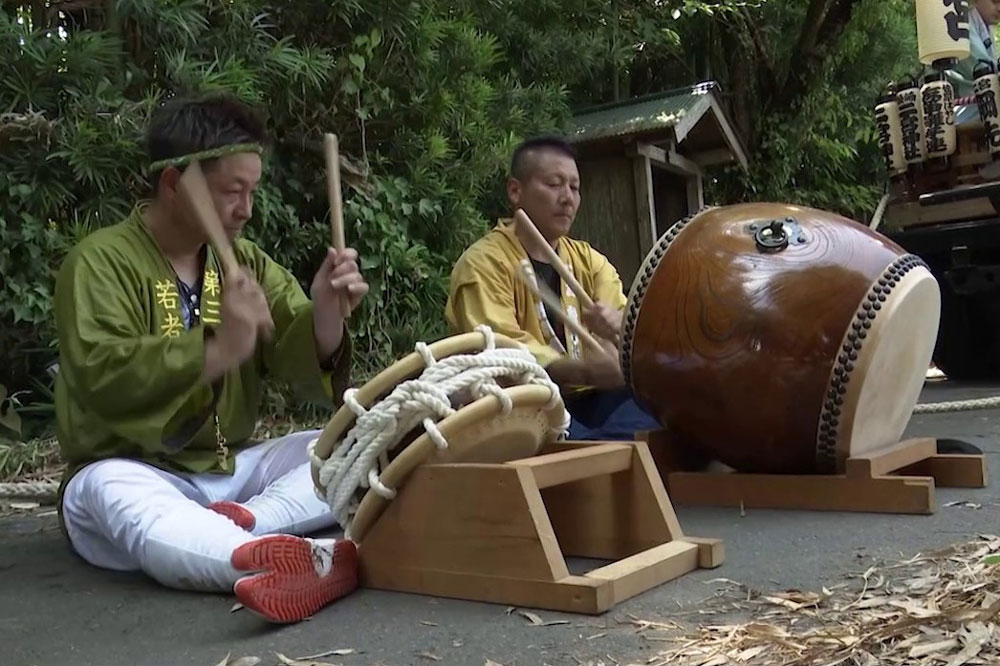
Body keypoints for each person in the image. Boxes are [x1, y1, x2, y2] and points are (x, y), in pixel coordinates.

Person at [53, 94, 369, 623]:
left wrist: (326, 314)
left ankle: (248, 521)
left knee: (352, 440)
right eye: (232, 192)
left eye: (252, 191)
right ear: (176, 184)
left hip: (232, 472)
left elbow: (296, 353)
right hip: (137, 469)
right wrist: (217, 349)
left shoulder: (247, 261)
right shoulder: (98, 262)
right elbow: (101, 376)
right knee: (104, 490)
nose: (246, 209)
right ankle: (271, 558)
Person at [444, 136, 660, 440]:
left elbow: (630, 330)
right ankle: (596, 451)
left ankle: (599, 448)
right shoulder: (482, 264)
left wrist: (617, 331)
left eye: (574, 187)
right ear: (515, 190)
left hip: (594, 400)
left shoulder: (590, 261)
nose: (567, 197)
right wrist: (583, 370)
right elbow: (500, 352)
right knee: (615, 440)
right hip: (524, 406)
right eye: (555, 184)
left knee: (670, 409)